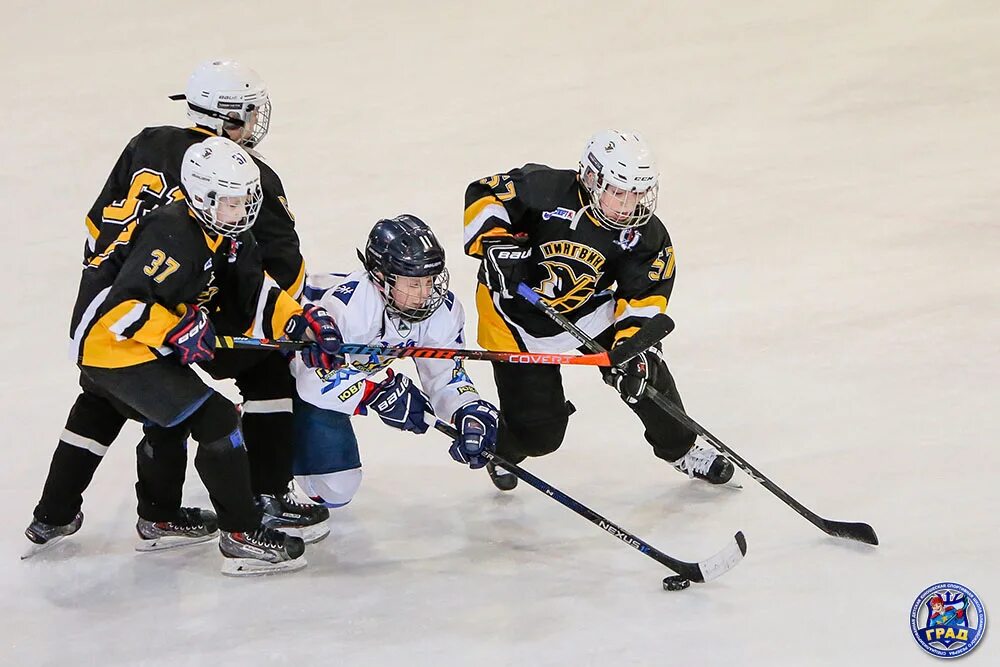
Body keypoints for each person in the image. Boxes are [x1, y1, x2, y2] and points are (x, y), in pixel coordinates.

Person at [27, 59, 328, 553]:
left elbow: (99, 230)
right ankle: (252, 514)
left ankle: (80, 514)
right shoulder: (202, 211)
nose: (242, 208)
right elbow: (278, 267)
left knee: (123, 404)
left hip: (131, 307)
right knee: (215, 411)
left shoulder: (155, 149)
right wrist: (173, 320)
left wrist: (296, 321)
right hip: (132, 321)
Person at [462, 130, 734, 491]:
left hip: (587, 307)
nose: (627, 205)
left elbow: (644, 299)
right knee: (541, 436)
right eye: (618, 192)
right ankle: (505, 449)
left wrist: (633, 351)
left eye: (637, 193)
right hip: (514, 319)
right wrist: (496, 243)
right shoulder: (543, 190)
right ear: (591, 179)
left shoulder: (645, 236)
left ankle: (681, 448)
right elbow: (486, 192)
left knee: (644, 372)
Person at [289, 215, 499, 508]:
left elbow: (445, 376)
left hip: (335, 378)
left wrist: (467, 410)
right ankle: (258, 427)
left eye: (429, 280)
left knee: (336, 490)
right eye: (413, 283)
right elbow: (312, 378)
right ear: (380, 278)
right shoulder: (348, 309)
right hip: (284, 368)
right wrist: (376, 392)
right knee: (332, 486)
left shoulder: (442, 310)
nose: (425, 294)